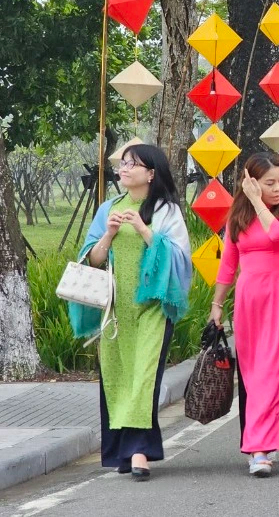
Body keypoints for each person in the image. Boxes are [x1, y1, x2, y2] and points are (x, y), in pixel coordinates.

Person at [69, 144, 191, 481]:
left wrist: (143, 229)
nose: (124, 169)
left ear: (151, 173)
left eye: (132, 164)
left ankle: (139, 452)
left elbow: (180, 260)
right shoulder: (108, 208)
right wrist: (108, 233)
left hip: (152, 308)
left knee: (143, 376)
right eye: (123, 163)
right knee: (118, 375)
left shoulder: (166, 211)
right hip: (115, 310)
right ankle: (123, 451)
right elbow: (91, 260)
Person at [210, 153, 279, 477]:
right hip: (249, 300)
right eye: (269, 183)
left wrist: (257, 201)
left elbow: (277, 234)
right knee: (252, 375)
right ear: (251, 182)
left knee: (273, 372)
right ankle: (262, 444)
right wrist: (217, 306)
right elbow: (227, 266)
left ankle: (259, 449)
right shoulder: (237, 218)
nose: (278, 188)